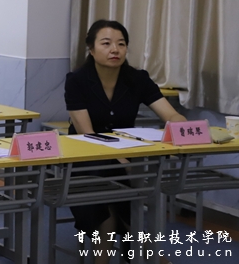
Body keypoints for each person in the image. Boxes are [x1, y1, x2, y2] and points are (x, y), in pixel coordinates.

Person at [65, 19, 186, 263]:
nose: (115, 50)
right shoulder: (77, 80)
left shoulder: (137, 78)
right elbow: (87, 134)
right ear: (91, 49)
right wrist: (120, 160)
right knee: (112, 201)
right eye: (106, 43)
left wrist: (184, 127)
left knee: (119, 195)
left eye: (121, 44)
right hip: (85, 159)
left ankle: (132, 252)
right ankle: (146, 253)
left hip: (125, 159)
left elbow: (170, 115)